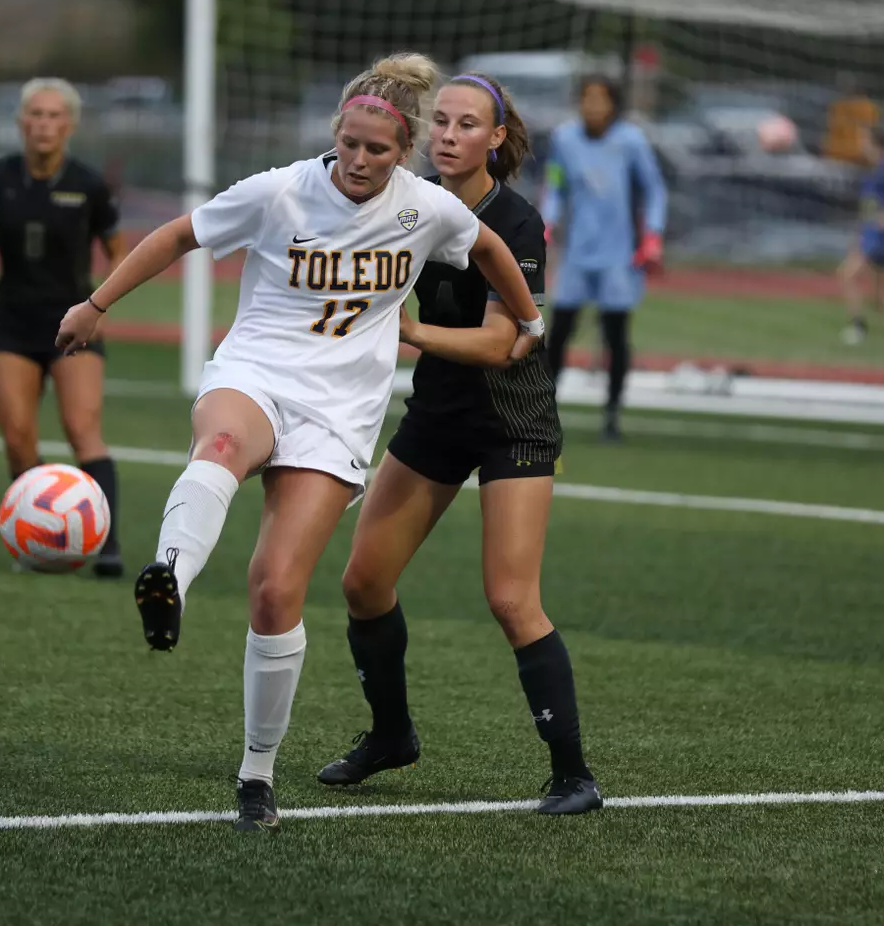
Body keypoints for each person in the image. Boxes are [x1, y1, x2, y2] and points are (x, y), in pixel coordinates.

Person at [53, 53, 547, 833]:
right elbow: (180, 236)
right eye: (347, 143)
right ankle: (170, 579)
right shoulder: (280, 189)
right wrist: (96, 303)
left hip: (339, 412)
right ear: (334, 135)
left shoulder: (427, 209)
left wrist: (529, 320)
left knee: (277, 590)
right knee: (218, 445)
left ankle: (257, 775)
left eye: (376, 150)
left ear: (404, 152)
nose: (357, 160)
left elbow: (487, 248)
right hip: (256, 373)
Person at [316, 72, 602, 816]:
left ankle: (573, 775)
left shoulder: (516, 222)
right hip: (438, 413)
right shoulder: (405, 202)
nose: (449, 135)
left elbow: (506, 343)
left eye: (467, 124)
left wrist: (404, 329)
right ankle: (391, 736)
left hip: (513, 420)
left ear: (496, 139)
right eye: (438, 121)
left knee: (511, 599)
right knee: (363, 582)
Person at [0, 77, 127, 576]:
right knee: (18, 437)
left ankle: (106, 544)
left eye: (54, 116)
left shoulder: (89, 185)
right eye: (35, 115)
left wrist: (101, 305)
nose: (44, 125)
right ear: (22, 122)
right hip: (13, 323)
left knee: (81, 429)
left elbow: (120, 252)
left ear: (70, 124)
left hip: (73, 324)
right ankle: (36, 539)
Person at [541, 76, 668, 441]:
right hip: (578, 252)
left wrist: (653, 234)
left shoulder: (631, 140)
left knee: (616, 334)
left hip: (618, 254)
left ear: (613, 104)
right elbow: (555, 181)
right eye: (586, 98)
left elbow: (654, 188)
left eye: (600, 99)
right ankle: (543, 411)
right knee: (559, 331)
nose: (592, 106)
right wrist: (547, 221)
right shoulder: (565, 138)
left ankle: (612, 415)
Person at [838, 125, 884, 345]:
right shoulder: (871, 171)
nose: (862, 145)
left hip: (881, 238)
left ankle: (858, 326)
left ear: (876, 144)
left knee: (847, 275)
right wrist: (859, 236)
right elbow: (868, 210)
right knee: (877, 293)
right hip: (869, 235)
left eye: (865, 141)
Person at [822, 73, 881, 166]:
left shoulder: (863, 107)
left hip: (844, 155)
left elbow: (867, 131)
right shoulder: (839, 106)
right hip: (843, 154)